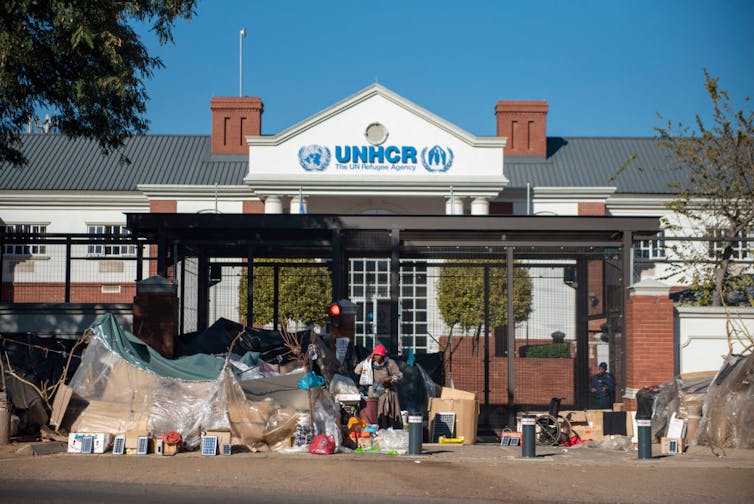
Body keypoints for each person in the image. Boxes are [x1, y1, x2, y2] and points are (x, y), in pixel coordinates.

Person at [354, 344, 403, 429]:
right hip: (376, 394)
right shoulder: (370, 364)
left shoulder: (390, 363)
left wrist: (390, 378)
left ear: (383, 355)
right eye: (375, 355)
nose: (376, 357)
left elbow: (400, 375)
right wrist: (367, 360)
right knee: (378, 414)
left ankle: (395, 431)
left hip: (390, 393)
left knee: (393, 415)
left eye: (378, 355)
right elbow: (357, 370)